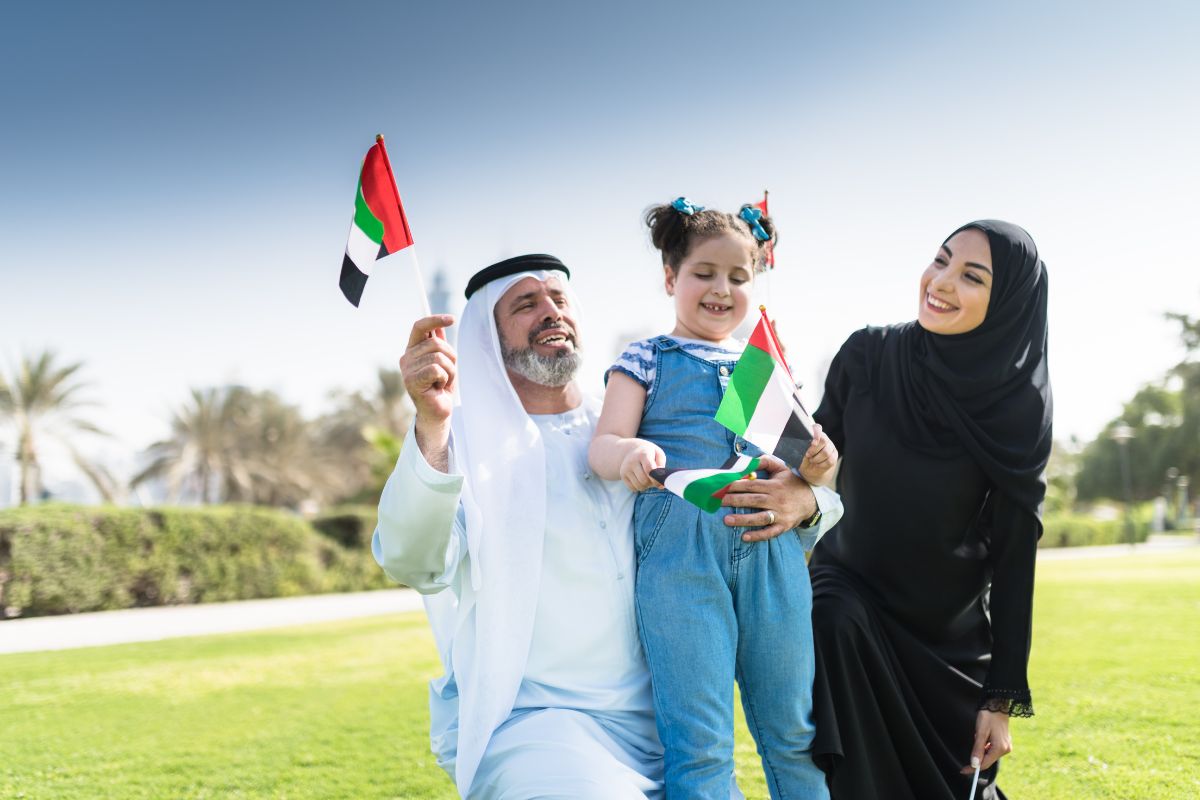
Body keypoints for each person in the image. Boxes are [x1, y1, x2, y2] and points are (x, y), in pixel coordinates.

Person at [372, 253, 823, 799]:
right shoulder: (458, 440)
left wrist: (810, 502)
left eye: (559, 300)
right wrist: (431, 424)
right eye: (525, 304)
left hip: (673, 728)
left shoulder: (628, 423)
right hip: (541, 727)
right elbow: (413, 560)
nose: (550, 312)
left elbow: (746, 504)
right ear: (488, 338)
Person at [589, 198, 843, 799]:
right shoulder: (646, 359)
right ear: (671, 277)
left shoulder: (769, 369)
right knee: (700, 747)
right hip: (680, 558)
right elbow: (602, 443)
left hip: (772, 554)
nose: (721, 289)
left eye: (738, 276)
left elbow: (808, 474)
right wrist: (627, 453)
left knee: (794, 736)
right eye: (704, 273)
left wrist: (819, 468)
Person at [808, 220, 1051, 800]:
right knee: (832, 618)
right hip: (851, 590)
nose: (940, 282)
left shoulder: (1018, 407)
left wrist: (1000, 699)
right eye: (941, 260)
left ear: (1007, 301)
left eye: (971, 276)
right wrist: (759, 375)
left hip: (949, 638)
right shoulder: (866, 354)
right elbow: (804, 458)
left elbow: (1017, 555)